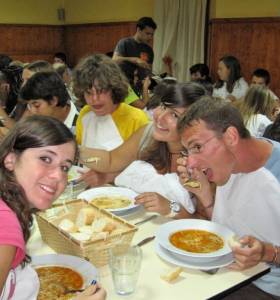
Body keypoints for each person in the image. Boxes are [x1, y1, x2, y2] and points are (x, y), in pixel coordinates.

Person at [177, 97, 280, 299]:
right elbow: (228, 228)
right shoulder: (226, 166)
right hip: (229, 272)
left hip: (274, 287)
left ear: (231, 137)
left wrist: (268, 253)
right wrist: (205, 195)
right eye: (187, 151)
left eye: (197, 147)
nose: (190, 163)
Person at [0, 115, 106, 300]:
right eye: (45, 159)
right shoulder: (5, 225)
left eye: (65, 167)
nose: (58, 175)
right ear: (10, 159)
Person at [80, 82, 209, 218]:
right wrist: (74, 154)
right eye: (163, 106)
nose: (160, 117)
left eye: (174, 115)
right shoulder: (148, 133)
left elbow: (204, 219)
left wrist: (170, 208)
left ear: (194, 126)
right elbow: (110, 160)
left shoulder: (200, 161)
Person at [72, 53, 149, 187]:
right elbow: (83, 154)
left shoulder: (136, 118)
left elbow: (146, 168)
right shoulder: (85, 114)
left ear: (114, 89)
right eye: (89, 93)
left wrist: (107, 177)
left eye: (101, 91)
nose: (94, 99)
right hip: (88, 188)